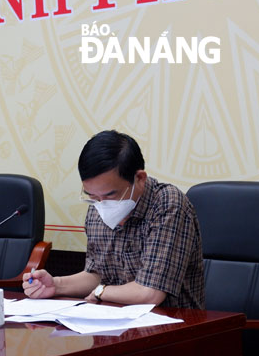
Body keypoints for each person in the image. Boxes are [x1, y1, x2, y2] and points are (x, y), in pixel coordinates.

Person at [23, 130, 204, 309]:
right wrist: (56, 285)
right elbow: (97, 275)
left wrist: (101, 292)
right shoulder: (98, 207)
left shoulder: (168, 204)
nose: (102, 204)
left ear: (139, 178)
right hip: (113, 322)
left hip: (175, 326)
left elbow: (150, 293)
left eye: (110, 194)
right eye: (92, 195)